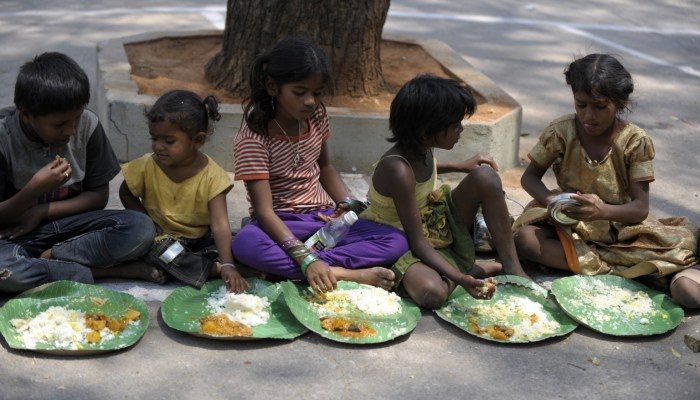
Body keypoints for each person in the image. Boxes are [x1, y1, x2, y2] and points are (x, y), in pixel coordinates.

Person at [512, 53, 698, 307]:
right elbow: (529, 178)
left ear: (619, 104)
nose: (589, 116)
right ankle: (628, 272)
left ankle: (603, 265)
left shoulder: (634, 142)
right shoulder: (561, 131)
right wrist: (552, 201)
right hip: (570, 224)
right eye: (581, 104)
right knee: (524, 239)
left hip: (622, 229)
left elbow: (639, 209)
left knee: (680, 247)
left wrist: (600, 211)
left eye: (600, 107)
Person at [231, 37, 408, 293]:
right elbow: (264, 211)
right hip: (279, 224)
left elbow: (325, 167)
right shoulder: (253, 138)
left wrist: (346, 204)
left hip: (321, 219)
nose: (310, 101)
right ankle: (344, 274)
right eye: (299, 92)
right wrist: (304, 257)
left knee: (396, 241)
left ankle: (305, 270)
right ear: (272, 86)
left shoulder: (317, 116)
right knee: (246, 244)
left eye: (317, 93)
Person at [360, 74, 530, 309]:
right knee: (431, 294)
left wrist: (461, 166)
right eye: (455, 125)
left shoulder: (421, 148)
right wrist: (462, 280)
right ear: (426, 129)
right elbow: (418, 243)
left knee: (485, 176)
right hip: (402, 241)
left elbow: (422, 174)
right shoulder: (397, 169)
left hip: (432, 219)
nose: (461, 129)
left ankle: (513, 267)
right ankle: (467, 269)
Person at [0, 52, 156, 293]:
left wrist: (42, 211)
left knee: (140, 227)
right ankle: (99, 271)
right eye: (59, 125)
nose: (71, 131)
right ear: (26, 114)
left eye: (76, 119)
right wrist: (33, 190)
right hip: (17, 235)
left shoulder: (88, 126)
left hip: (73, 230)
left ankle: (54, 260)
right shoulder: (4, 139)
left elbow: (98, 196)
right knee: (5, 272)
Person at [120, 90, 247, 293]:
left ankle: (213, 266)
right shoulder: (146, 165)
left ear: (197, 140)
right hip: (161, 240)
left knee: (239, 243)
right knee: (162, 252)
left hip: (201, 240)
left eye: (168, 141)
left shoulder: (212, 176)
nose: (158, 146)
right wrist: (148, 223)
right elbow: (126, 193)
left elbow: (220, 224)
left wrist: (229, 262)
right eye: (155, 138)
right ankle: (213, 270)